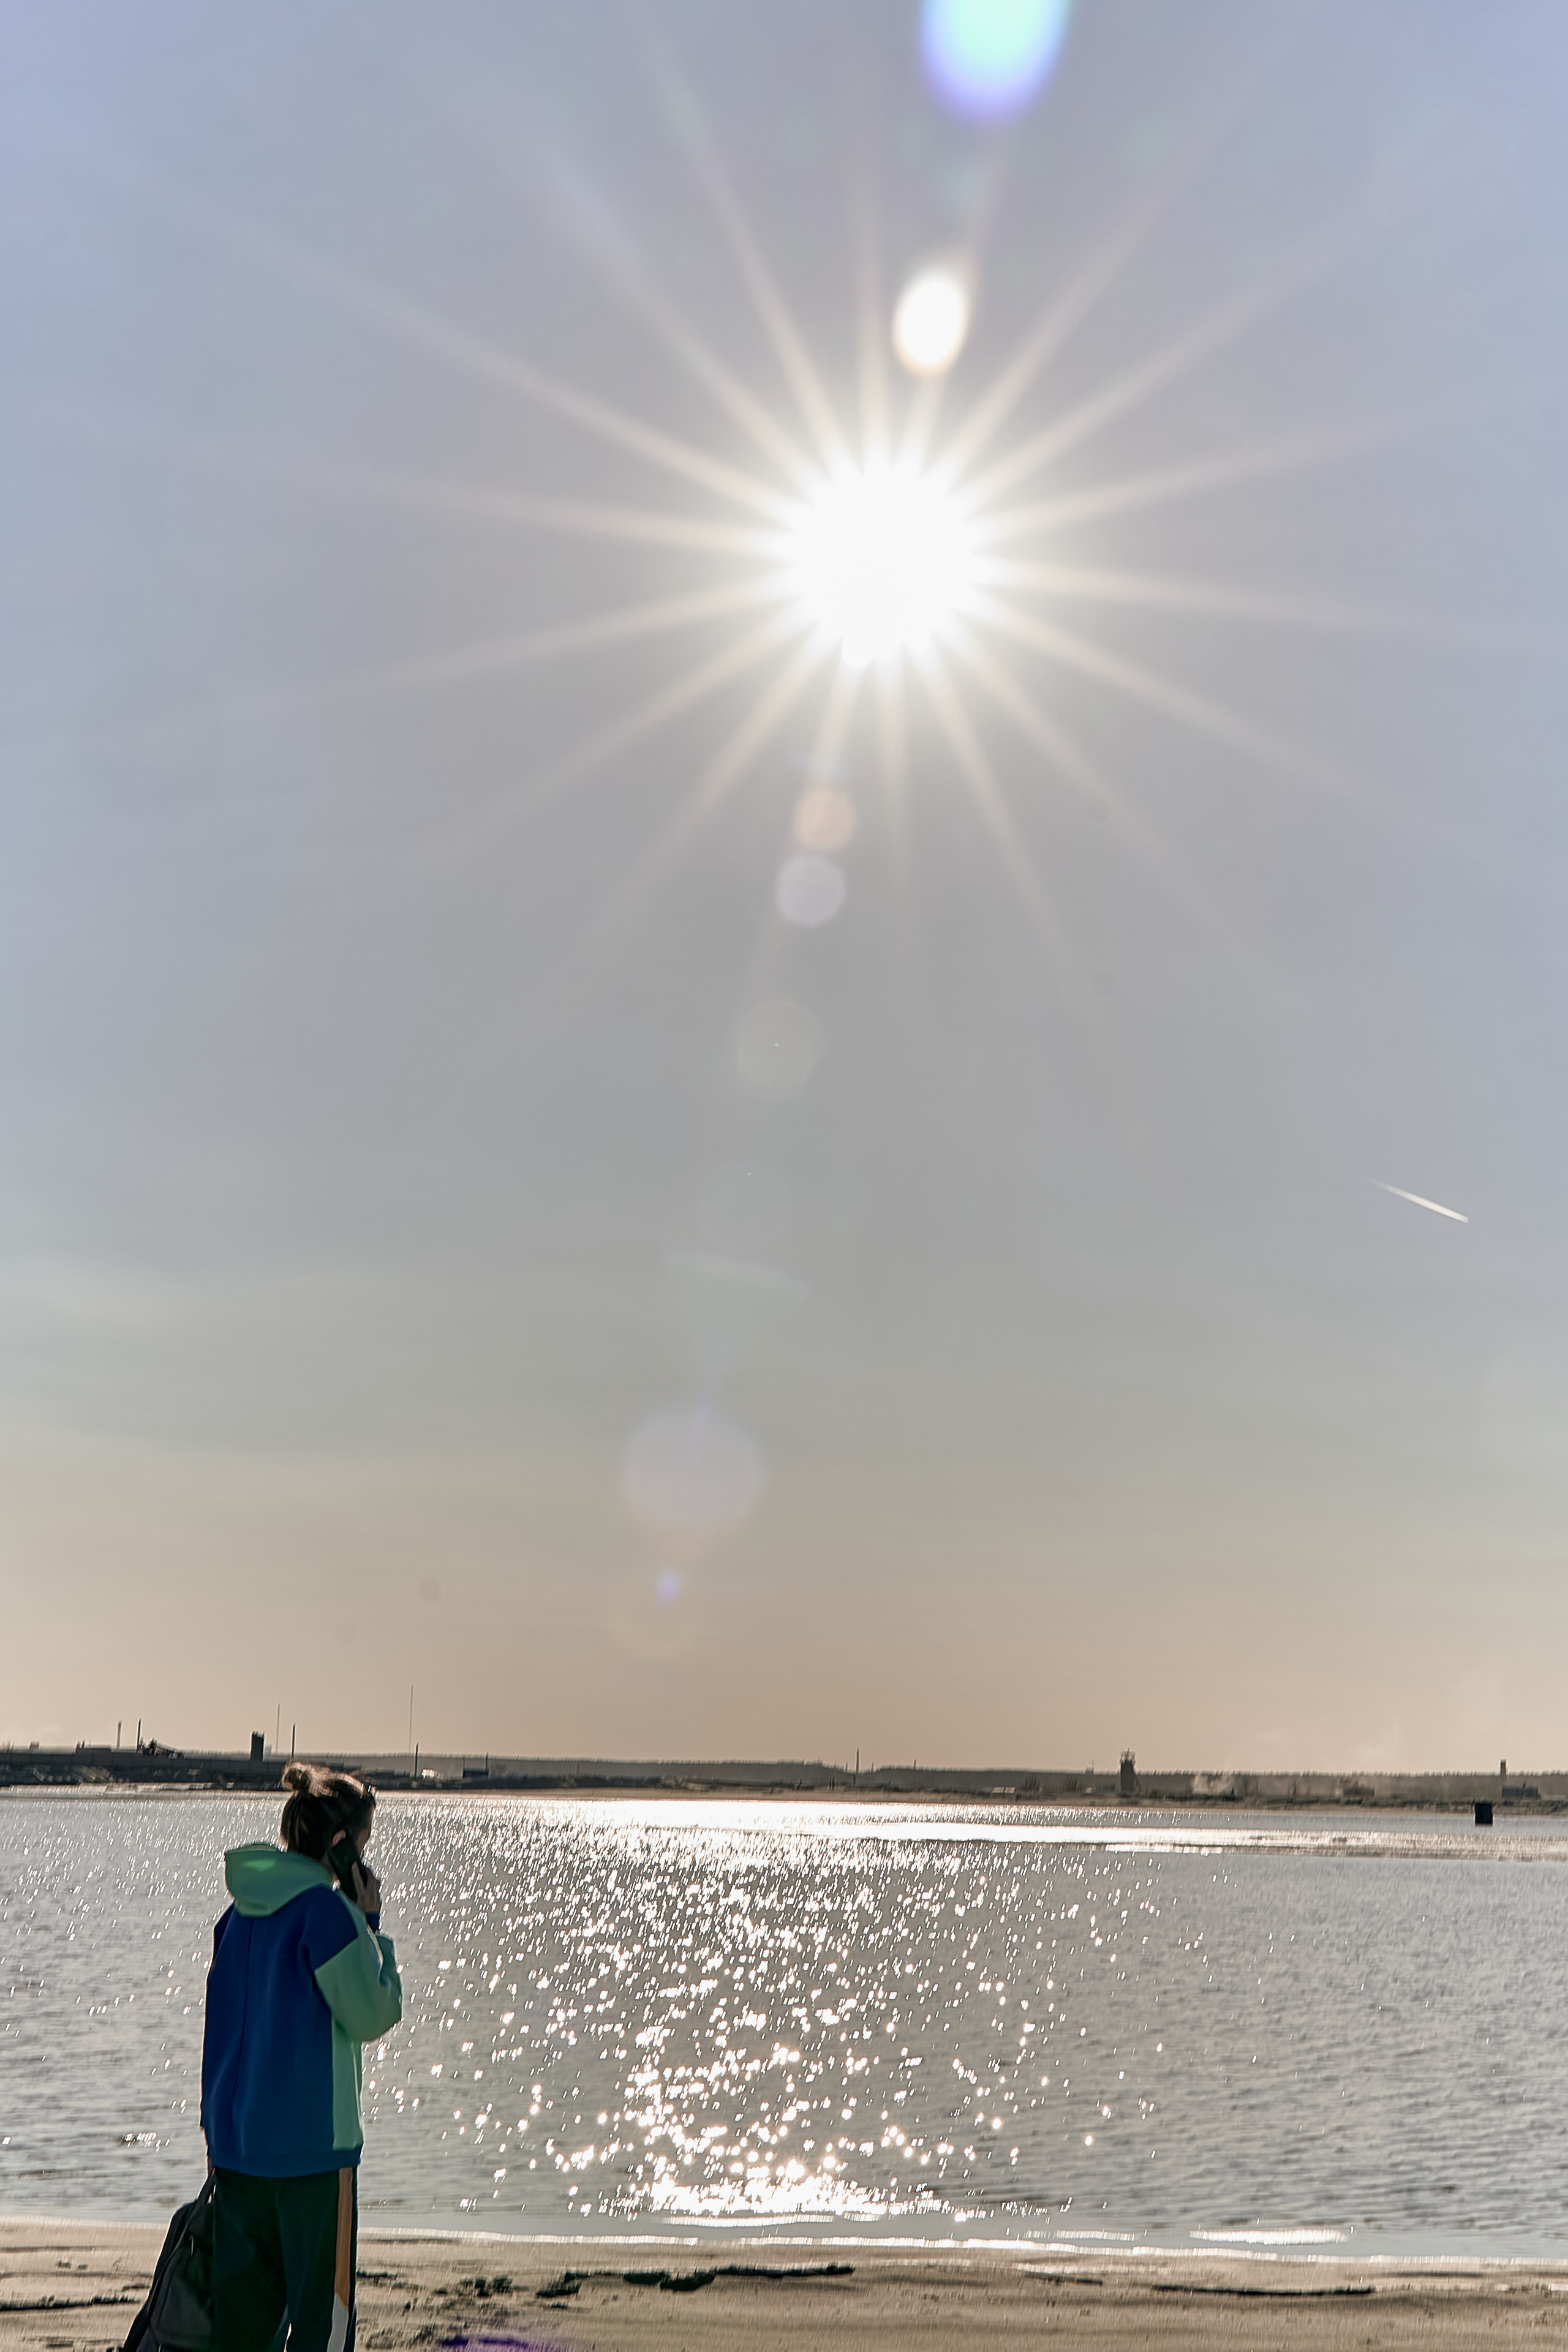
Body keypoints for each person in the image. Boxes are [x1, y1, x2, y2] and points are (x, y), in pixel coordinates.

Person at [200, 1762, 402, 2351]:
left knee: (243, 2327)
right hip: (313, 2155)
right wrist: (370, 1929)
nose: (366, 1855)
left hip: (238, 2149)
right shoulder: (325, 1915)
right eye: (363, 1842)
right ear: (340, 1844)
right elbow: (372, 2015)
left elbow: (222, 2031)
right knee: (323, 2324)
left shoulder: (237, 1916)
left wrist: (216, 2132)